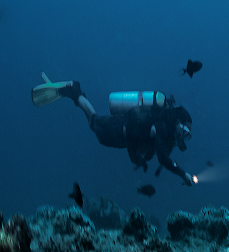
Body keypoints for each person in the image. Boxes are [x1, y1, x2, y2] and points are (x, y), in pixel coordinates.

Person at [32, 73, 195, 185]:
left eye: (187, 135)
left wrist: (140, 158)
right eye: (185, 131)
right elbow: (162, 158)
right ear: (178, 122)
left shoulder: (165, 130)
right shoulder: (162, 126)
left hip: (121, 131)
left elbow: (154, 149)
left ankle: (75, 94)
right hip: (117, 130)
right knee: (94, 123)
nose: (183, 136)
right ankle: (74, 91)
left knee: (94, 124)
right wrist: (183, 174)